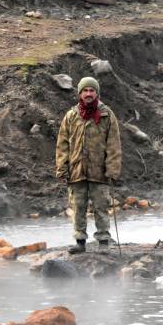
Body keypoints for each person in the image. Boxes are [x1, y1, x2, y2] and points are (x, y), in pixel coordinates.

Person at [54, 76, 122, 254]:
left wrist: (112, 169)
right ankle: (80, 242)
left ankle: (104, 242)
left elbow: (114, 144)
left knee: (101, 206)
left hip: (99, 171)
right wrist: (62, 168)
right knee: (78, 207)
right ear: (80, 93)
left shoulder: (107, 115)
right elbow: (62, 145)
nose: (88, 94)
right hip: (76, 170)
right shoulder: (71, 116)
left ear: (97, 93)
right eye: (85, 90)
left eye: (92, 90)